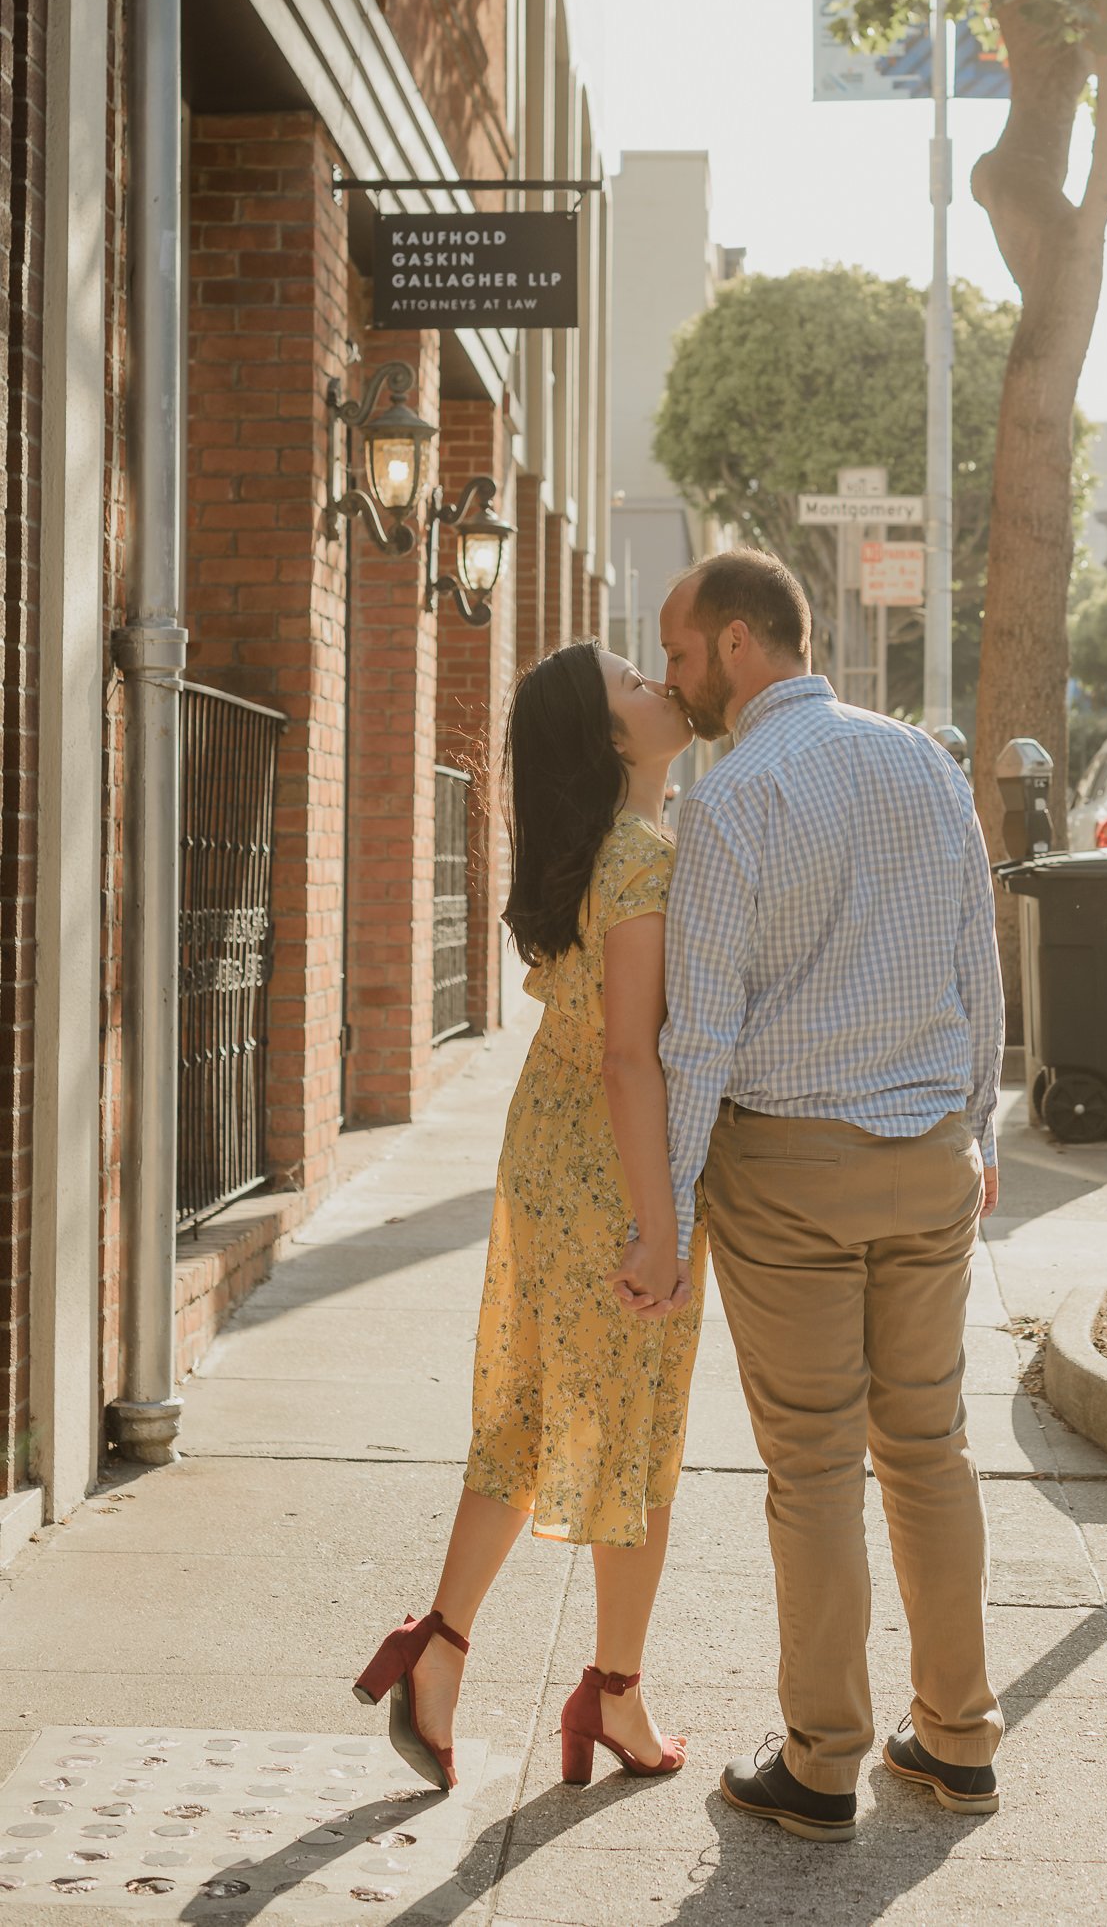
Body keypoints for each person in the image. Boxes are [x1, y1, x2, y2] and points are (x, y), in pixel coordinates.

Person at [626, 547, 1006, 1844]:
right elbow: (979, 968)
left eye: (680, 656)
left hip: (786, 1168)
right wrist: (982, 1122)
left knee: (813, 1467)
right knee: (930, 1447)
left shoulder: (734, 800)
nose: (677, 683)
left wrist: (665, 1220)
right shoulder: (927, 765)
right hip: (928, 1157)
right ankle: (958, 1740)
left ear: (739, 643)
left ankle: (824, 1759)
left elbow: (698, 1039)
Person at [354, 642, 704, 1794]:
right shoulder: (643, 855)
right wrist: (659, 1228)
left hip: (543, 1148)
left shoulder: (590, 851)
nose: (660, 688)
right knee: (632, 1426)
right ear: (613, 741)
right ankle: (616, 1696)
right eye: (635, 687)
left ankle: (439, 1649)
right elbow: (628, 1058)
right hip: (609, 1163)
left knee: (531, 1407)